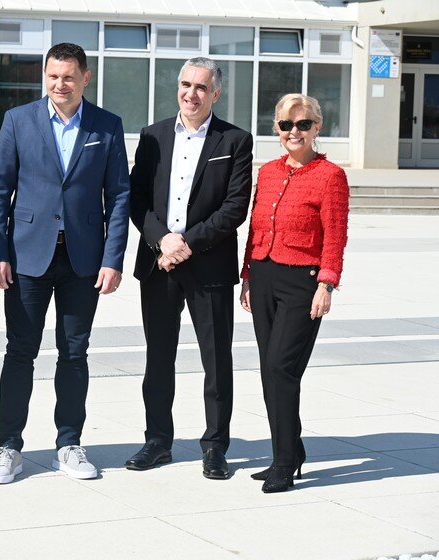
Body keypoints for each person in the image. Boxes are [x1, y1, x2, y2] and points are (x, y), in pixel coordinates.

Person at [0, 43, 130, 484]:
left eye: (68, 77)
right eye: (52, 76)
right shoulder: (18, 120)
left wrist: (113, 259)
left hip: (83, 260)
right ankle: (9, 447)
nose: (59, 84)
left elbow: (118, 196)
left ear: (85, 78)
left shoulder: (107, 125)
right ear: (44, 77)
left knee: (74, 352)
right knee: (20, 352)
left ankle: (69, 444)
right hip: (27, 256)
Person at [127, 57, 252, 480]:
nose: (191, 94)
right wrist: (162, 240)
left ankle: (215, 446)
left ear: (216, 93)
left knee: (216, 361)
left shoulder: (235, 140)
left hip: (209, 265)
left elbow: (234, 207)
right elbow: (137, 198)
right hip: (158, 262)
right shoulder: (153, 136)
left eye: (201, 87)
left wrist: (186, 244)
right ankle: (157, 441)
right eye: (185, 84)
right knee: (158, 358)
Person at [240, 93, 348, 493]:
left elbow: (335, 234)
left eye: (303, 124)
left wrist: (327, 283)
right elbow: (255, 227)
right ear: (277, 129)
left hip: (303, 283)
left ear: (317, 127)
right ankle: (287, 452)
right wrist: (247, 275)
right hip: (264, 276)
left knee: (281, 368)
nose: (294, 132)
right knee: (270, 371)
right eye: (286, 125)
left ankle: (286, 463)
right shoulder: (268, 172)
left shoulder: (330, 175)